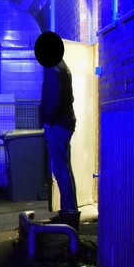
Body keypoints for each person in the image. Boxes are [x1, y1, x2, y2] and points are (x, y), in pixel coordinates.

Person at [35, 31, 80, 232]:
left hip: (57, 124)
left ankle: (68, 213)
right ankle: (69, 212)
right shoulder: (63, 67)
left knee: (60, 169)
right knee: (64, 168)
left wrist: (47, 121)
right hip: (65, 122)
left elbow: (52, 98)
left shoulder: (53, 68)